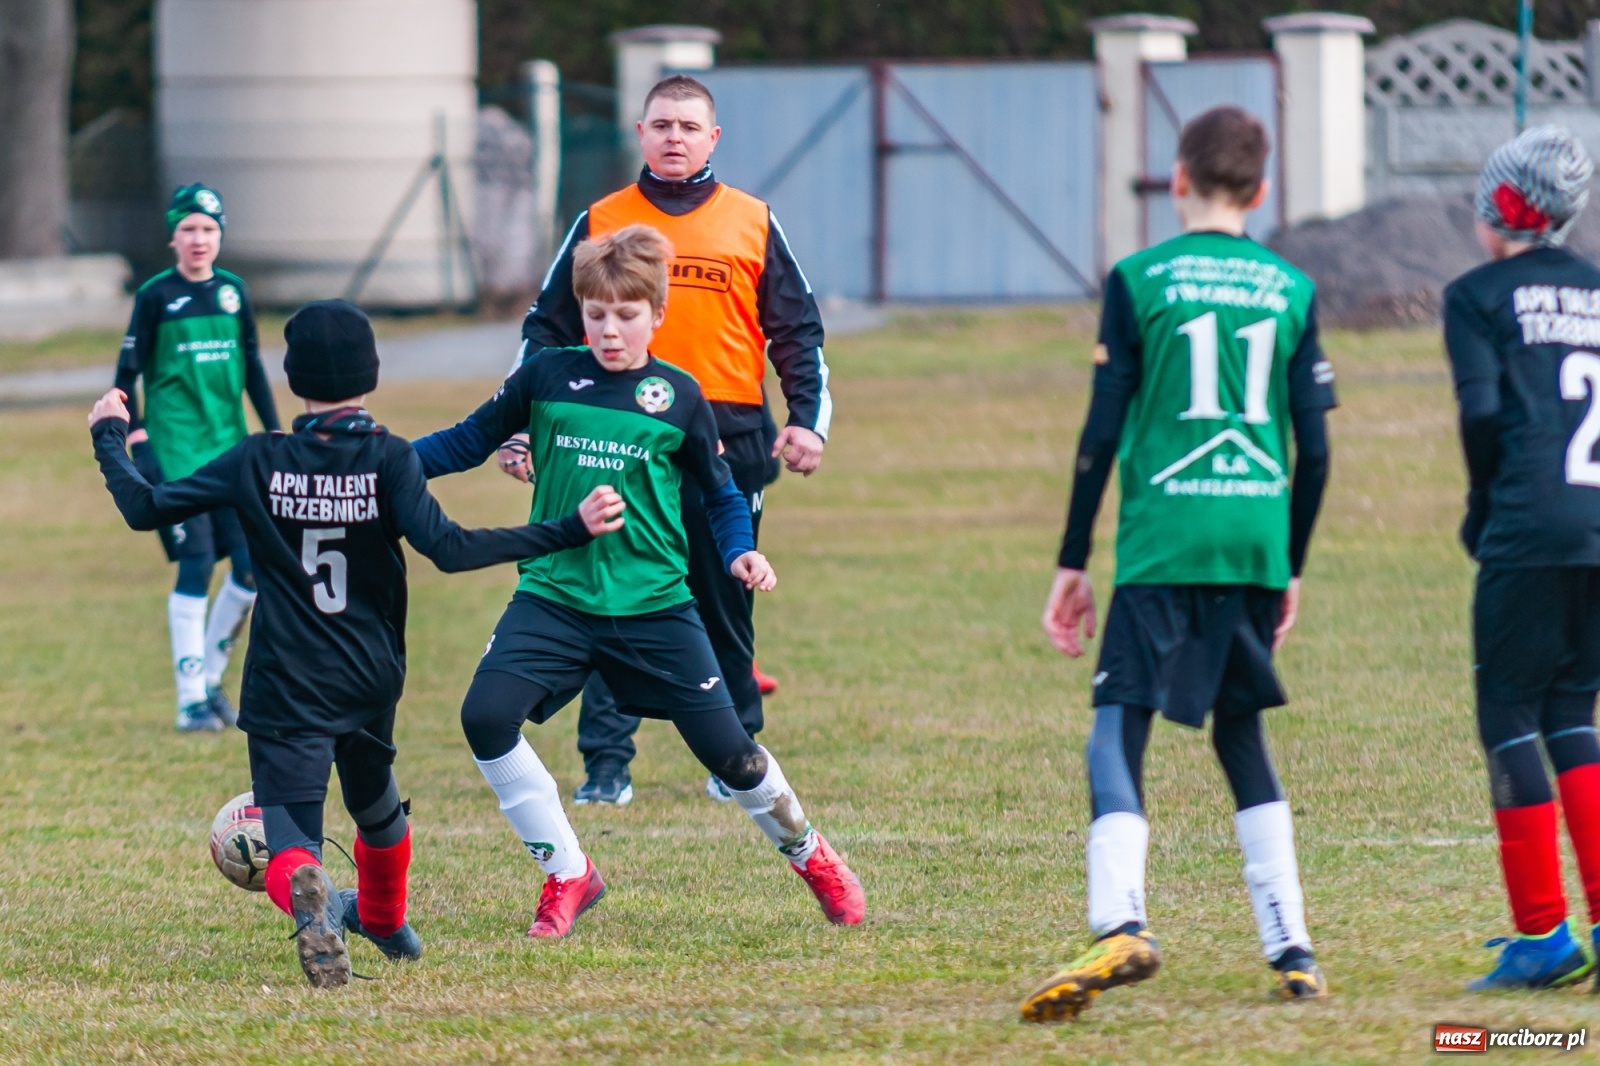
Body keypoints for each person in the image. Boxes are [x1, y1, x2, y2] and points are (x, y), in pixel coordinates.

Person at [89, 300, 623, 987]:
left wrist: (110, 435)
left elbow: (145, 508)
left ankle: (313, 893)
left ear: (293, 377)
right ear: (370, 374)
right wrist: (567, 528)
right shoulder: (389, 458)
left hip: (285, 679)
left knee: (290, 838)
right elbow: (452, 549)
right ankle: (386, 920)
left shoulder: (257, 459)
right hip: (369, 673)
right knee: (376, 806)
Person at [412, 225, 864, 936]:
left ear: (657, 314)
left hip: (653, 603)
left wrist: (739, 551)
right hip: (555, 596)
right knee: (485, 718)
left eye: (626, 315)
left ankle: (811, 855)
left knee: (733, 756)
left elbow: (719, 492)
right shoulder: (546, 376)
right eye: (596, 314)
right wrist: (376, 464)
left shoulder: (678, 395)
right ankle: (569, 873)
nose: (609, 331)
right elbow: (465, 441)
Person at [1021, 106, 1337, 1023]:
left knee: (1118, 720)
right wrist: (1291, 563)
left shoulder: (1137, 279)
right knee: (1241, 731)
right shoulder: (1292, 287)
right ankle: (1293, 949)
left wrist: (1073, 557)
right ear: (1261, 190)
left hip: (1164, 537)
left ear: (1177, 180)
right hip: (1252, 538)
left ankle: (1120, 921)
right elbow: (1316, 451)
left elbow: (1101, 430)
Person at [504, 73, 833, 806]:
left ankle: (735, 757)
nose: (674, 137)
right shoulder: (602, 219)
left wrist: (806, 419)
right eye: (661, 125)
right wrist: (521, 426)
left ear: (712, 138)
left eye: (688, 126)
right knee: (608, 594)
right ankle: (606, 767)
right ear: (641, 134)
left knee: (726, 599)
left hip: (731, 436)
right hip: (617, 436)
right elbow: (545, 329)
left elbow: (797, 329)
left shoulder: (751, 219)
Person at [1445, 126, 1600, 991]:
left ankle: (1542, 934)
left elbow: (1480, 413)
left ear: (1501, 204)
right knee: (1573, 710)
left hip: (1529, 524)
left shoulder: (1476, 294)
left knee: (1508, 709)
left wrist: (1482, 507)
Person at [113, 183, 282, 732]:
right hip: (176, 453)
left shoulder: (234, 293)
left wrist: (275, 432)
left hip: (231, 453)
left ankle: (209, 682)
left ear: (220, 235)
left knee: (251, 568)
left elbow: (253, 366)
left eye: (208, 229)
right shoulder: (155, 296)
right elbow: (125, 376)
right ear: (173, 237)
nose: (198, 239)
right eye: (188, 229)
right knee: (197, 563)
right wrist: (139, 441)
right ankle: (189, 700)